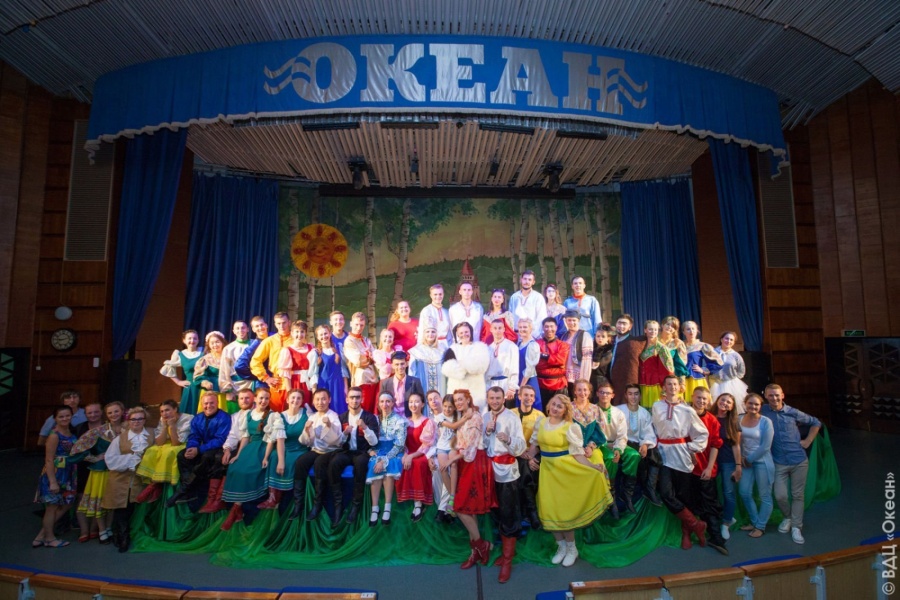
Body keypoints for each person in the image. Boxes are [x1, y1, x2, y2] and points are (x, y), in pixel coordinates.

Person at [523, 394, 612, 567]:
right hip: (547, 473)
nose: (555, 408)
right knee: (549, 510)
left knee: (564, 512)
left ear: (565, 411)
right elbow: (533, 448)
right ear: (549, 405)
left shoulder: (570, 427)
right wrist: (528, 457)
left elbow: (577, 454)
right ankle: (561, 547)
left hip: (566, 471)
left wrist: (592, 467)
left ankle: (572, 549)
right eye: (554, 404)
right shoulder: (540, 423)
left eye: (560, 406)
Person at [651, 375, 709, 551]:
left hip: (681, 455)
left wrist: (690, 448)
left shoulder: (687, 410)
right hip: (663, 454)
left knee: (685, 496)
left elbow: (702, 433)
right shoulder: (657, 406)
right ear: (664, 387)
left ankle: (686, 533)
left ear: (680, 387)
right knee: (666, 493)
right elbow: (652, 428)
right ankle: (696, 524)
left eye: (675, 384)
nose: (672, 387)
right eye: (668, 384)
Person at [761, 383, 821, 545]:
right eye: (771, 395)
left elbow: (816, 422)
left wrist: (808, 441)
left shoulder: (792, 412)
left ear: (783, 395)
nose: (774, 398)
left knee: (797, 495)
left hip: (798, 461)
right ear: (765, 396)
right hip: (778, 462)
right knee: (780, 495)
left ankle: (796, 526)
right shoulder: (763, 411)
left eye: (777, 395)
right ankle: (787, 517)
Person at [220, 388, 286, 530]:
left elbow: (271, 439)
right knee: (235, 468)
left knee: (248, 471)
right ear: (255, 399)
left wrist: (266, 457)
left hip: (263, 447)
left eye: (266, 398)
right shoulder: (249, 414)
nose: (263, 401)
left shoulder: (273, 416)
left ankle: (236, 509)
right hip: (250, 447)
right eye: (261, 398)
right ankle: (236, 508)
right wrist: (238, 454)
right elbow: (245, 437)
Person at [445, 390, 496, 570]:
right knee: (469, 509)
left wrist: (451, 460)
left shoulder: (475, 417)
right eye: (456, 400)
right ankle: (477, 550)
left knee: (459, 507)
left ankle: (481, 545)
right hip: (465, 463)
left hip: (474, 463)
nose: (458, 402)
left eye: (461, 399)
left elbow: (471, 447)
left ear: (468, 400)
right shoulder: (463, 417)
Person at [483, 386, 527, 583]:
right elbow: (482, 445)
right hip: (489, 471)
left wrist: (508, 439)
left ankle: (508, 560)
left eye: (498, 398)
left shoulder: (512, 417)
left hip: (508, 473)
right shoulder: (485, 417)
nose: (494, 401)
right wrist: (487, 432)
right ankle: (505, 553)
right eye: (491, 398)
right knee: (496, 512)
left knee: (509, 514)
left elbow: (521, 447)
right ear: (487, 399)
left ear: (503, 399)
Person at [68, 401, 124, 543]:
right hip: (101, 471)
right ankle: (101, 530)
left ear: (122, 411)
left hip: (118, 470)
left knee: (113, 501)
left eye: (116, 411)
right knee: (99, 501)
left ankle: (108, 528)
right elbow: (76, 450)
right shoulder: (99, 431)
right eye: (110, 412)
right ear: (106, 415)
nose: (114, 415)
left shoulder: (128, 428)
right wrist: (94, 458)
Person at [166, 391, 231, 507]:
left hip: (218, 448)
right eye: (206, 403)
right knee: (182, 455)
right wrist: (192, 447)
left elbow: (220, 440)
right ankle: (189, 492)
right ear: (202, 404)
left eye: (212, 403)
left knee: (207, 457)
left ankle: (183, 490)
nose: (209, 406)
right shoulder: (198, 418)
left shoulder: (224, 417)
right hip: (202, 447)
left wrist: (199, 449)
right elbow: (194, 436)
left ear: (217, 403)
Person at [101, 406, 152, 552]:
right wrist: (132, 459)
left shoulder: (152, 435)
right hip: (120, 478)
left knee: (135, 507)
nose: (136, 422)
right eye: (133, 419)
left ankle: (129, 534)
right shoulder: (120, 439)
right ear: (128, 421)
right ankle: (123, 537)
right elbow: (110, 459)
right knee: (121, 507)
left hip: (141, 479)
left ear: (145, 420)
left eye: (140, 419)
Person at [199, 388, 256, 513]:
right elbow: (232, 435)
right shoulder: (235, 416)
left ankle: (221, 499)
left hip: (252, 446)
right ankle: (212, 499)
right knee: (220, 458)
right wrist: (227, 449)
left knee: (232, 463)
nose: (244, 401)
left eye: (247, 398)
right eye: (241, 398)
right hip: (237, 445)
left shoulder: (258, 413)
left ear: (253, 399)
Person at [289, 388, 342, 521]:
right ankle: (298, 503)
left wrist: (329, 425)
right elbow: (306, 442)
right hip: (315, 450)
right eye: (317, 399)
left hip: (330, 451)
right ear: (313, 401)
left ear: (329, 400)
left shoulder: (333, 416)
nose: (320, 402)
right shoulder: (312, 417)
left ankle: (317, 504)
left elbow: (337, 441)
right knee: (300, 462)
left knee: (319, 463)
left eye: (323, 399)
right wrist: (307, 430)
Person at [331, 387, 379, 524]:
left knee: (361, 464)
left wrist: (365, 427)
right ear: (347, 400)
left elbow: (374, 442)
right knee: (334, 463)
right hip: (346, 452)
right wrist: (344, 433)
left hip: (362, 452)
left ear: (362, 399)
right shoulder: (341, 417)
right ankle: (338, 505)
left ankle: (356, 505)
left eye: (357, 397)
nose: (354, 400)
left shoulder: (369, 417)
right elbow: (337, 443)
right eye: (352, 397)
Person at [688, 387, 728, 555]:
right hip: (686, 468)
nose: (701, 401)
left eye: (704, 399)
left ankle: (715, 536)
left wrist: (710, 467)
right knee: (689, 501)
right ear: (692, 397)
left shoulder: (712, 420)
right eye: (698, 397)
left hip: (704, 468)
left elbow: (715, 445)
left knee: (709, 502)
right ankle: (689, 533)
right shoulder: (684, 415)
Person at [594, 381, 641, 516]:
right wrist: (604, 444)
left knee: (634, 455)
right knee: (610, 458)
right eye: (602, 392)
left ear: (612, 395)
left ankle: (627, 494)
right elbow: (591, 433)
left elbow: (622, 435)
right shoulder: (591, 411)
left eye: (607, 393)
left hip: (616, 443)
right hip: (599, 445)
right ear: (597, 394)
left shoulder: (618, 413)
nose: (605, 395)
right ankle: (611, 496)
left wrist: (618, 449)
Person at [32, 406, 77, 548]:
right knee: (52, 506)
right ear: (55, 418)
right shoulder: (54, 435)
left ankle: (42, 535)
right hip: (56, 473)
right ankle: (50, 538)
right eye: (61, 416)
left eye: (67, 415)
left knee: (67, 503)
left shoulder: (70, 431)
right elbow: (49, 459)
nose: (65, 418)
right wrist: (52, 481)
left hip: (69, 472)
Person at [259, 388, 310, 510]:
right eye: (293, 397)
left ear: (302, 401)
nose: (295, 400)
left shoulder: (307, 414)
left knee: (291, 461)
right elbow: (279, 440)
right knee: (274, 457)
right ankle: (272, 497)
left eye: (298, 398)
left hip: (299, 448)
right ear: (287, 400)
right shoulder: (280, 416)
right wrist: (280, 461)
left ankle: (285, 498)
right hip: (283, 447)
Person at [134, 399, 193, 504]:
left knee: (168, 452)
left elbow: (176, 443)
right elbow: (159, 442)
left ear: (175, 409)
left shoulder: (187, 418)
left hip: (182, 444)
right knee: (151, 451)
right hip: (167, 443)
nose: (164, 414)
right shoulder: (163, 419)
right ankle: (154, 484)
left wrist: (172, 426)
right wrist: (165, 426)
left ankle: (156, 484)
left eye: (167, 410)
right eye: (162, 411)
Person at [615, 383, 661, 506]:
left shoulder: (644, 413)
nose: (633, 397)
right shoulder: (619, 410)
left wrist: (645, 444)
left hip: (638, 443)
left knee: (654, 454)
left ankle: (649, 489)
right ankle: (627, 493)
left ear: (640, 396)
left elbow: (648, 432)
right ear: (626, 395)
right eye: (630, 394)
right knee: (637, 457)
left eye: (636, 394)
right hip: (622, 443)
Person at [366, 393, 407, 526]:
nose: (385, 404)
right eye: (382, 401)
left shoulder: (400, 421)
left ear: (393, 403)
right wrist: (370, 451)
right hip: (378, 450)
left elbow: (399, 445)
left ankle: (387, 507)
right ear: (378, 404)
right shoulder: (374, 420)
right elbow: (369, 440)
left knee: (389, 467)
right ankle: (375, 507)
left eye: (388, 401)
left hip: (394, 452)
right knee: (374, 464)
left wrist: (385, 460)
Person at [739, 393, 774, 539]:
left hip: (762, 462)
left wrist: (749, 459)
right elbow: (737, 440)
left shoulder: (766, 422)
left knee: (764, 495)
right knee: (744, 492)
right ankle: (754, 522)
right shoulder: (739, 419)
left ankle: (760, 526)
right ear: (745, 403)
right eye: (750, 403)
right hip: (745, 462)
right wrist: (741, 457)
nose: (753, 406)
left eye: (756, 404)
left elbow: (766, 446)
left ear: (760, 406)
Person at [396, 392, 435, 522]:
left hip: (423, 453)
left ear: (423, 404)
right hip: (408, 452)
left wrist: (411, 456)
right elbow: (402, 442)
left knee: (418, 464)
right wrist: (405, 454)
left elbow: (426, 445)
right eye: (411, 402)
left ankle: (418, 503)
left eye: (417, 401)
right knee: (398, 462)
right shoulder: (405, 421)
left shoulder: (427, 422)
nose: (414, 404)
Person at [68, 401, 104, 540]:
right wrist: (91, 457)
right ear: (85, 414)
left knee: (98, 498)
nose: (93, 415)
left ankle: (94, 528)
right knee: (81, 497)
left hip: (101, 468)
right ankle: (84, 530)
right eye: (90, 413)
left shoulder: (108, 428)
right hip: (82, 467)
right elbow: (74, 450)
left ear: (101, 412)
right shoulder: (79, 428)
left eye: (96, 412)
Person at [511, 385, 544, 529]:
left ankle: (529, 511)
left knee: (529, 467)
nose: (528, 398)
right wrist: (524, 455)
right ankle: (531, 512)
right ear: (519, 396)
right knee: (525, 467)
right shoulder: (511, 413)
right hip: (514, 453)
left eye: (531, 395)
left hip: (532, 453)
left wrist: (530, 456)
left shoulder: (539, 416)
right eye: (525, 395)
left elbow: (540, 440)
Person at [441, 322, 490, 411]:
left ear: (470, 332)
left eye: (466, 332)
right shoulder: (452, 349)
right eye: (461, 333)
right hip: (456, 388)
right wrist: (468, 366)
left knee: (476, 413)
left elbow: (482, 366)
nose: (464, 334)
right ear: (457, 335)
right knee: (458, 414)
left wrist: (461, 364)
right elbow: (447, 368)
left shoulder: (480, 347)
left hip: (476, 389)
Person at [250, 312, 292, 412]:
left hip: (295, 381)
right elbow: (255, 361)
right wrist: (266, 378)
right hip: (277, 383)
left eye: (284, 322)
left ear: (289, 322)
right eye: (279, 323)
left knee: (295, 414)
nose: (281, 326)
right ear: (275, 324)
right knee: (277, 414)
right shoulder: (269, 341)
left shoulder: (296, 339)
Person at [714, 392, 742, 540]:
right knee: (710, 492)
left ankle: (726, 523)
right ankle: (720, 517)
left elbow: (736, 445)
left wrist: (738, 466)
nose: (725, 403)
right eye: (723, 400)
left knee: (728, 493)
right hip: (710, 461)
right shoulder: (709, 416)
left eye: (729, 402)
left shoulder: (734, 422)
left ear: (732, 407)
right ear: (717, 400)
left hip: (728, 461)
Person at [308, 324, 350, 415]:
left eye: (325, 333)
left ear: (330, 333)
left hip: (337, 385)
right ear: (317, 337)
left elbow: (343, 369)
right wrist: (314, 393)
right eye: (321, 335)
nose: (324, 336)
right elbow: (314, 374)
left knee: (339, 409)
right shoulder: (316, 353)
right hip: (323, 385)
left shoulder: (338, 349)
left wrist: (346, 388)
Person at [429, 392, 458, 523]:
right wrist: (430, 457)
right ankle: (444, 506)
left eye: (436, 398)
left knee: (452, 466)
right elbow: (429, 441)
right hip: (439, 450)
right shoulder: (435, 418)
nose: (433, 401)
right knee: (440, 469)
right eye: (430, 399)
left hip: (453, 448)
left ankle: (445, 507)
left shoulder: (457, 416)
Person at [343, 312, 380, 414]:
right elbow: (358, 361)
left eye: (361, 325)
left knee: (373, 410)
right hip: (361, 381)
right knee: (363, 410)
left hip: (373, 380)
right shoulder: (349, 341)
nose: (359, 328)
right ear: (351, 324)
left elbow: (376, 356)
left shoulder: (366, 340)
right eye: (356, 324)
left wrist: (372, 357)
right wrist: (370, 357)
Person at [160, 329, 203, 415]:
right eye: (189, 338)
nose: (192, 340)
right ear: (184, 340)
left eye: (195, 338)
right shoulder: (180, 355)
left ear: (198, 340)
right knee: (189, 413)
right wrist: (178, 382)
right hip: (191, 388)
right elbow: (168, 368)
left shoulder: (203, 351)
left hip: (204, 386)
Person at [275, 321, 314, 407]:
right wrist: (290, 392)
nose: (299, 334)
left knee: (309, 407)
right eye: (297, 332)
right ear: (292, 333)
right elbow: (286, 375)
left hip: (309, 382)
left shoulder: (311, 347)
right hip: (296, 383)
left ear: (305, 333)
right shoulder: (287, 350)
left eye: (302, 332)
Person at [194, 331, 235, 413]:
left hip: (227, 390)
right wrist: (205, 382)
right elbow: (199, 375)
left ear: (222, 342)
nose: (215, 345)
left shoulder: (229, 357)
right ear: (208, 345)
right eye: (212, 343)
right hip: (211, 391)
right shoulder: (205, 359)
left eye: (217, 342)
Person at [682, 321, 723, 400]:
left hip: (695, 379)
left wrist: (704, 370)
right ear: (684, 332)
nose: (691, 331)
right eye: (688, 329)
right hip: (681, 379)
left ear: (697, 330)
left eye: (693, 329)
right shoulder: (679, 345)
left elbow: (718, 362)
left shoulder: (702, 346)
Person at [709, 332, 749, 414]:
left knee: (732, 408)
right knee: (715, 407)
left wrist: (733, 379)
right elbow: (706, 366)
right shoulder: (713, 352)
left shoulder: (736, 355)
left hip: (731, 383)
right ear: (721, 339)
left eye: (731, 340)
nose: (728, 341)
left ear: (733, 342)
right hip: (715, 383)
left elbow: (741, 371)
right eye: (726, 338)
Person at [608, 314, 645, 401]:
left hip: (627, 382)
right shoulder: (609, 340)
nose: (621, 326)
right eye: (619, 323)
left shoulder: (636, 342)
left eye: (624, 324)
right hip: (609, 382)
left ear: (630, 327)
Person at [638, 320, 674, 409]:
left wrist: (665, 388)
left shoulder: (661, 348)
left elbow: (668, 369)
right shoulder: (640, 345)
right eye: (650, 329)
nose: (653, 332)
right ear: (645, 330)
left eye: (655, 329)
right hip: (642, 384)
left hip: (655, 385)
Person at [484, 319, 520, 408]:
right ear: (491, 329)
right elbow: (486, 371)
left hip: (506, 385)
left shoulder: (511, 346)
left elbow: (514, 368)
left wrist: (512, 388)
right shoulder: (488, 348)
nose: (497, 331)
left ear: (504, 329)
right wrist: (486, 388)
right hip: (491, 385)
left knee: (507, 412)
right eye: (495, 328)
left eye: (500, 328)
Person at [535, 317, 569, 409]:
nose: (549, 329)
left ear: (556, 327)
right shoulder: (536, 344)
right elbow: (537, 364)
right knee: (542, 412)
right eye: (546, 326)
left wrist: (543, 356)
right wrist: (554, 361)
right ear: (543, 328)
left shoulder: (563, 345)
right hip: (540, 384)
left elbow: (561, 361)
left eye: (551, 326)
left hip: (559, 384)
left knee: (560, 411)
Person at [408, 321, 447, 399]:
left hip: (441, 386)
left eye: (433, 332)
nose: (430, 334)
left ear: (436, 334)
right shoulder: (416, 351)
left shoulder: (443, 350)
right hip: (423, 385)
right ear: (423, 334)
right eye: (427, 332)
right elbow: (411, 372)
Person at [379, 351, 425, 416]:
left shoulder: (415, 382)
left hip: (410, 419)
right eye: (397, 364)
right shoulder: (385, 383)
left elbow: (422, 402)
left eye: (402, 364)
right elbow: (380, 404)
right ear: (392, 365)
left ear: (406, 364)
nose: (400, 367)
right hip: (391, 418)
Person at [560, 310, 593, 398]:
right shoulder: (564, 336)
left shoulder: (585, 335)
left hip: (578, 375)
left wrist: (584, 380)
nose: (571, 323)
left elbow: (587, 360)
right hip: (565, 376)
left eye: (574, 320)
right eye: (569, 320)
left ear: (578, 321)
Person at [233, 316, 269, 387]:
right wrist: (259, 375)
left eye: (262, 324)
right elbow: (239, 366)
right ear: (253, 329)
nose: (260, 328)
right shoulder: (254, 346)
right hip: (264, 383)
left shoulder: (275, 337)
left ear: (266, 325)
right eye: (257, 326)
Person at [509, 271, 547, 339]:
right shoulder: (514, 297)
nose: (527, 282)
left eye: (529, 280)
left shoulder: (538, 297)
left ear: (533, 282)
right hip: (516, 335)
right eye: (525, 279)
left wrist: (533, 335)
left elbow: (541, 318)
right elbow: (510, 317)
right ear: (521, 280)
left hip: (532, 336)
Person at [219, 320, 253, 394]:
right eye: (237, 328)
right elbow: (224, 369)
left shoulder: (254, 344)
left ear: (248, 329)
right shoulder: (228, 348)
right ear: (233, 331)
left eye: (243, 328)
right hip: (235, 386)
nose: (240, 330)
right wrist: (227, 389)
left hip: (252, 383)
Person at [515, 318, 541, 410]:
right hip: (519, 378)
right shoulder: (519, 343)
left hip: (528, 380)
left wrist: (522, 386)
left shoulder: (532, 345)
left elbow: (529, 369)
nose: (522, 329)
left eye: (525, 327)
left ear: (530, 329)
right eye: (520, 327)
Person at [660, 316, 689, 388]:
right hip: (654, 379)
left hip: (670, 379)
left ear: (675, 330)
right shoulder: (653, 341)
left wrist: (682, 382)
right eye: (667, 324)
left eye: (673, 326)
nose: (669, 327)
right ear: (662, 325)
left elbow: (680, 363)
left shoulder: (677, 343)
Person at [590, 324, 615, 393]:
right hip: (590, 379)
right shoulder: (591, 348)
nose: (600, 338)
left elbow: (596, 366)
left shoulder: (608, 352)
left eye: (603, 336)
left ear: (608, 338)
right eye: (598, 336)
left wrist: (599, 350)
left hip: (601, 381)